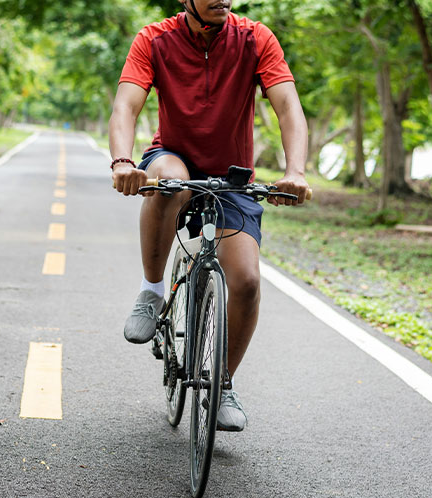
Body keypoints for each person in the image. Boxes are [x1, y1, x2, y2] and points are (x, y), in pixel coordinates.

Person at [108, 0, 309, 432]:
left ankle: (224, 383)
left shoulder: (256, 39)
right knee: (168, 181)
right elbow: (126, 105)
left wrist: (295, 172)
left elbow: (288, 107)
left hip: (233, 177)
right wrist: (123, 162)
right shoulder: (154, 39)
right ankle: (151, 290)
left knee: (248, 283)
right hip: (173, 157)